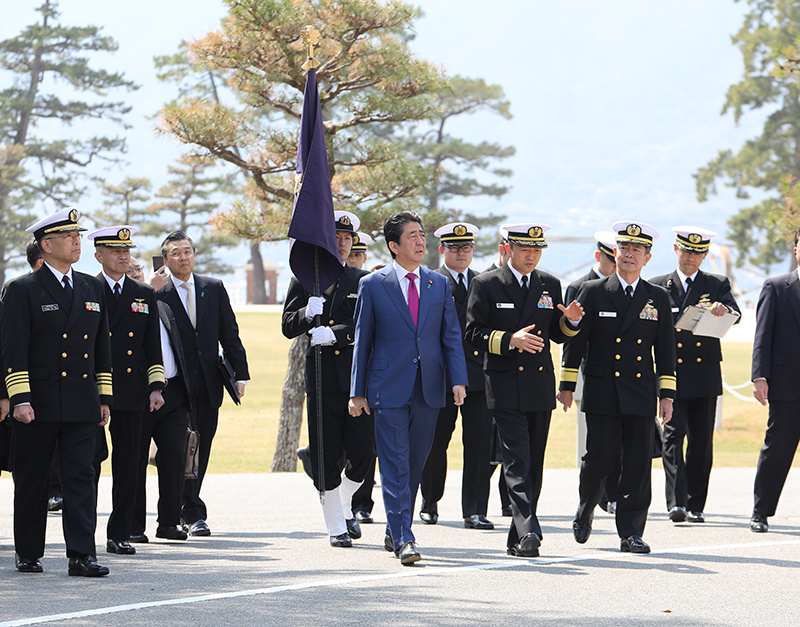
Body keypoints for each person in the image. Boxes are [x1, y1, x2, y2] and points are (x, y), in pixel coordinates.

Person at [349, 211, 468, 565]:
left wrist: (458, 379)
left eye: (422, 235)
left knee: (414, 464)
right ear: (394, 245)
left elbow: (450, 335)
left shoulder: (438, 283)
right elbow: (362, 340)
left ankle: (394, 525)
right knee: (394, 463)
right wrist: (357, 391)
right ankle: (404, 537)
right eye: (412, 236)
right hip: (388, 387)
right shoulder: (373, 284)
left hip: (430, 388)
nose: (421, 241)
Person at [2, 207, 112, 576]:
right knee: (32, 480)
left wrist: (104, 398)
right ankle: (29, 552)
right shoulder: (22, 289)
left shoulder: (91, 286)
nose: (77, 241)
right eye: (69, 237)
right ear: (46, 245)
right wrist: (19, 398)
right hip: (39, 402)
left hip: (82, 400)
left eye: (78, 235)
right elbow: (13, 348)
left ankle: (82, 555)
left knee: (82, 479)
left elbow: (102, 346)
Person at [465, 223, 584, 557]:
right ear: (508, 249)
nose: (531, 255)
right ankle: (530, 528)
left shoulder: (549, 283)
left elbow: (557, 334)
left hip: (538, 384)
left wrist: (571, 322)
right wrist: (508, 340)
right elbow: (472, 334)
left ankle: (517, 538)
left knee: (534, 462)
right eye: (525, 249)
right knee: (516, 458)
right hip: (503, 384)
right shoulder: (486, 284)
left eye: (537, 250)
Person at [558, 221, 675, 554]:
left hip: (640, 394)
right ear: (615, 252)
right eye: (624, 248)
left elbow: (666, 352)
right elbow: (575, 345)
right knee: (599, 459)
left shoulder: (658, 298)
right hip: (602, 391)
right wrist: (567, 384)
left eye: (637, 250)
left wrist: (666, 396)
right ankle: (586, 508)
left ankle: (631, 531)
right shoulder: (594, 291)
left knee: (638, 465)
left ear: (647, 258)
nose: (629, 255)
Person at [283, 211, 373, 547]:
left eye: (347, 239)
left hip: (354, 376)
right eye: (335, 237)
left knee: (364, 451)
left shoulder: (362, 280)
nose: (342, 244)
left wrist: (336, 334)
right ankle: (336, 524)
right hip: (321, 377)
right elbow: (287, 325)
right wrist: (306, 314)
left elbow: (367, 325)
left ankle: (345, 501)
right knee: (325, 452)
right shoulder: (305, 279)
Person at [155, 230, 249, 536]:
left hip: (209, 384)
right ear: (165, 259)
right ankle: (191, 511)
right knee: (182, 448)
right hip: (175, 386)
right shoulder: (157, 292)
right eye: (176, 253)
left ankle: (188, 504)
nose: (183, 258)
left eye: (187, 252)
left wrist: (240, 374)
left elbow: (229, 334)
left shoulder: (213, 287)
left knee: (201, 446)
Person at [650, 226, 740, 524]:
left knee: (701, 442)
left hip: (704, 374)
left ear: (704, 255)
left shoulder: (715, 283)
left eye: (697, 252)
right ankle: (676, 503)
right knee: (673, 437)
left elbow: (735, 314)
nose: (691, 257)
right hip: (672, 374)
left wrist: (723, 309)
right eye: (686, 251)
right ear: (676, 250)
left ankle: (696, 503)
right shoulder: (658, 286)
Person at [87, 226, 165, 555]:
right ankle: (82, 536)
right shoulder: (86, 288)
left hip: (132, 389)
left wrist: (156, 386)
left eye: (126, 251)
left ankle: (121, 531)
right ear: (98, 256)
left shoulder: (142, 293)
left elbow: (151, 344)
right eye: (115, 251)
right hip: (91, 389)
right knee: (88, 464)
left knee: (130, 463)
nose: (123, 256)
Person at [420, 223, 495, 530]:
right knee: (435, 443)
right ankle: (430, 500)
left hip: (479, 376)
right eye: (454, 248)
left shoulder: (485, 282)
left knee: (479, 445)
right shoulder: (430, 281)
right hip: (442, 376)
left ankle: (475, 510)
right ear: (442, 250)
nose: (461, 253)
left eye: (466, 248)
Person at [565, 231, 620, 516]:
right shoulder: (580, 287)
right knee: (597, 446)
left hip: (623, 378)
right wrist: (568, 381)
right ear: (599, 256)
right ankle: (591, 498)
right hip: (592, 375)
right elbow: (572, 340)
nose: (616, 263)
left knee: (621, 445)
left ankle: (612, 496)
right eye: (612, 258)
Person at [749, 227, 800, 533]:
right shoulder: (777, 286)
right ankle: (760, 511)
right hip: (786, 384)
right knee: (777, 449)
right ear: (796, 249)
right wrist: (759, 376)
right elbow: (762, 335)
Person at [131, 299, 193, 543]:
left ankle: (169, 522)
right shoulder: (125, 303)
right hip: (139, 393)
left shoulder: (163, 308)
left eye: (139, 269)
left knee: (175, 457)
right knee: (135, 460)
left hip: (173, 392)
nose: (137, 272)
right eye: (134, 270)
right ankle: (133, 525)